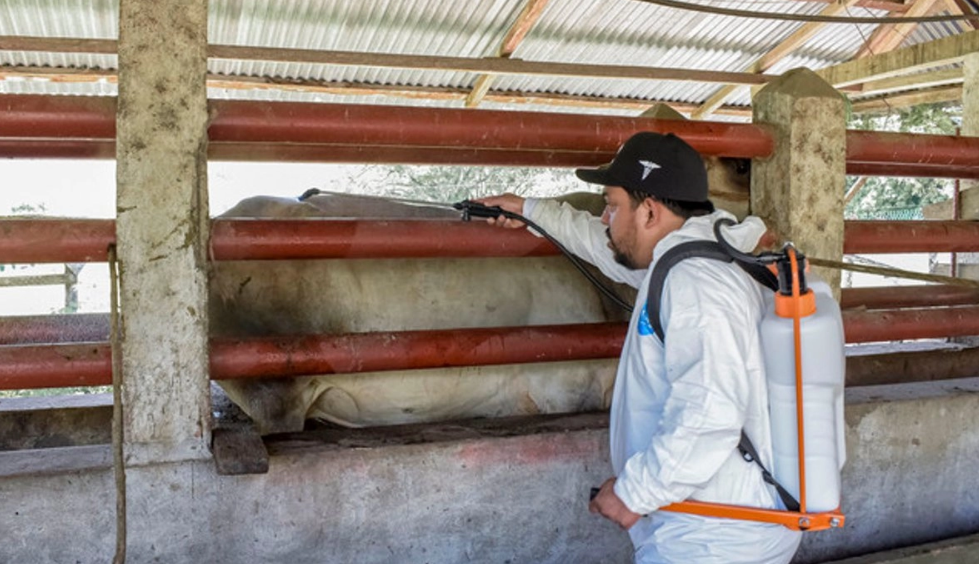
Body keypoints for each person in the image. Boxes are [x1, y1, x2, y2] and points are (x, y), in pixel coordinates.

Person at [478, 132, 802, 563]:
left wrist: (635, 492)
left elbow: (710, 412)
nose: (605, 218)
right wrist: (531, 211)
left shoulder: (695, 284)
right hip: (714, 524)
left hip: (714, 538)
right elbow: (605, 247)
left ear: (649, 211)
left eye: (612, 206)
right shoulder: (691, 262)